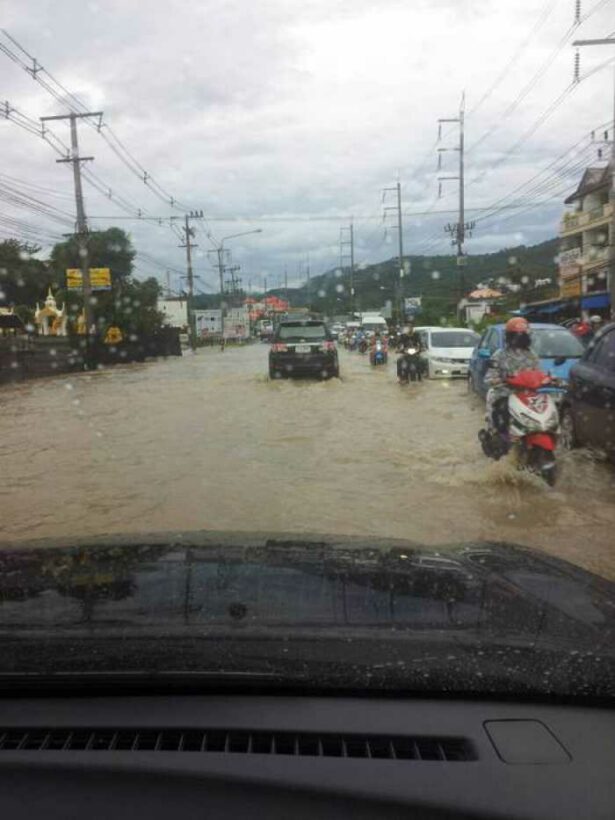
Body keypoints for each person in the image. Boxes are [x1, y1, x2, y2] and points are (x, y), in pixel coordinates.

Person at [484, 317, 539, 435]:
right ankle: (498, 436)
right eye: (517, 335)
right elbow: (489, 377)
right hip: (505, 396)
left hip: (528, 397)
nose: (520, 338)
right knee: (501, 420)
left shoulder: (532, 355)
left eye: (523, 335)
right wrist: (502, 380)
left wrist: (549, 379)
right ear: (509, 337)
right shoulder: (500, 355)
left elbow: (538, 374)